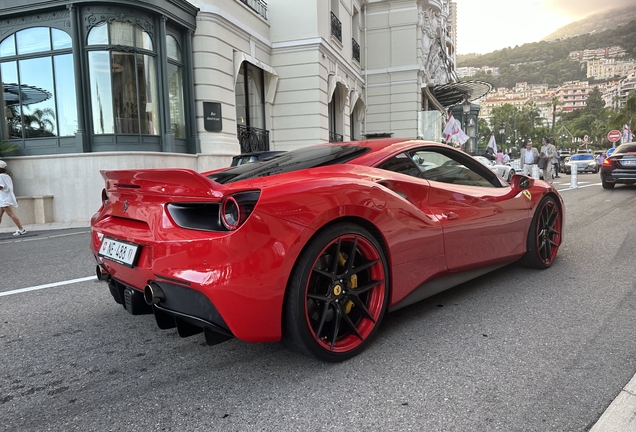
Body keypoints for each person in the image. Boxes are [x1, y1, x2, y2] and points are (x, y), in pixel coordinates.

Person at [0, 160, 27, 235]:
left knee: (11, 214)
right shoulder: (6, 176)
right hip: (4, 198)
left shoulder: (0, 176)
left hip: (4, 199)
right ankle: (21, 229)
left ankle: (21, 229)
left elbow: (1, 187)